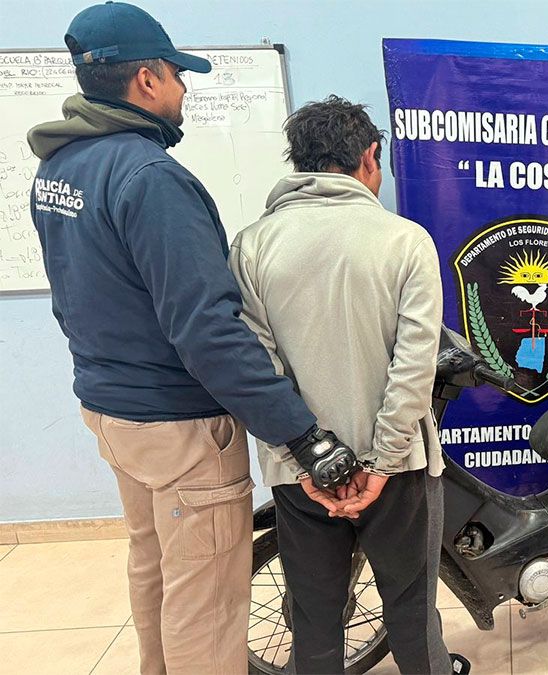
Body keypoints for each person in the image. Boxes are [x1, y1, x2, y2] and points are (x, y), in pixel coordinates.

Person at [27, 4, 359, 673]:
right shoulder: (151, 179)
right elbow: (206, 329)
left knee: (156, 570)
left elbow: (74, 295)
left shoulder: (60, 169)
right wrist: (303, 436)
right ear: (147, 80)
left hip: (113, 414)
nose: (183, 90)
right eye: (177, 75)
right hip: (178, 427)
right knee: (206, 602)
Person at [229, 95, 468, 675]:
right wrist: (382, 463)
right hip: (399, 472)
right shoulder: (405, 240)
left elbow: (258, 370)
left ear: (298, 161)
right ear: (369, 157)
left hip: (301, 474)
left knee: (314, 619)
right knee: (411, 612)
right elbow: (413, 369)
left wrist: (306, 461)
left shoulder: (252, 245)